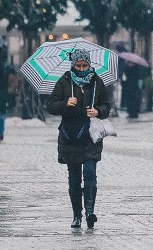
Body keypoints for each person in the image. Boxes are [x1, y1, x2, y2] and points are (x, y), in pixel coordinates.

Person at [48, 48, 110, 229]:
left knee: (90, 172)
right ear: (73, 65)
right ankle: (77, 215)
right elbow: (51, 106)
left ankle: (90, 211)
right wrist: (65, 104)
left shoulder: (97, 82)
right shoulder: (64, 82)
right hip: (71, 135)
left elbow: (106, 106)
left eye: (85, 65)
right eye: (78, 65)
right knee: (74, 177)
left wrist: (98, 111)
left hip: (91, 135)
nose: (82, 69)